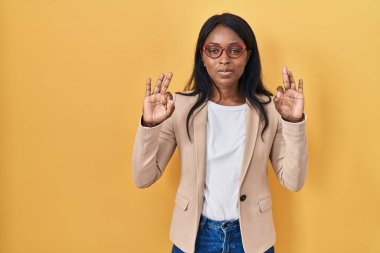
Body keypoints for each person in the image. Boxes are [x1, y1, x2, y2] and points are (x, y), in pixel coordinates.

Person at [132, 13, 308, 253]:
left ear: (248, 56)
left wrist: (293, 121)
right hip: (195, 239)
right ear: (202, 57)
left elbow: (293, 181)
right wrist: (149, 126)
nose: (224, 59)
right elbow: (143, 178)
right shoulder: (179, 107)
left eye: (234, 50)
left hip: (251, 240)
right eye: (213, 50)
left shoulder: (270, 108)